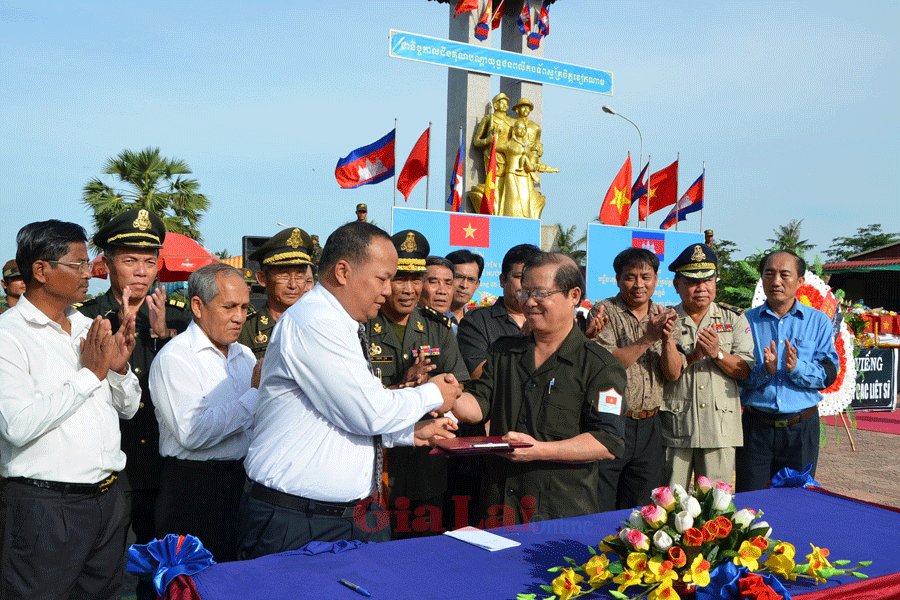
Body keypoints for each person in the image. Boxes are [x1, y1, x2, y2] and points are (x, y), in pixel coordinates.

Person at [238, 221, 461, 559]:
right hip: (298, 520)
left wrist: (409, 432)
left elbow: (338, 416)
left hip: (346, 515)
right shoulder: (316, 322)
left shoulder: (342, 323)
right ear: (343, 271)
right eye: (382, 278)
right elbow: (368, 412)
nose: (388, 290)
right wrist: (432, 393)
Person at [0, 220, 140, 599]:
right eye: (78, 264)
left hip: (107, 499)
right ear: (40, 270)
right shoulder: (9, 336)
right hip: (45, 506)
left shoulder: (87, 326)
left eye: (88, 264)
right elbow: (18, 425)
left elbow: (128, 409)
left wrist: (118, 370)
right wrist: (89, 375)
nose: (88, 274)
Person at [452, 252, 626, 525]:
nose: (530, 302)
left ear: (573, 295)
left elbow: (606, 442)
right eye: (525, 293)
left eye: (541, 294)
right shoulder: (504, 352)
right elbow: (477, 406)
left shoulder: (599, 366)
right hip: (500, 506)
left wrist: (538, 450)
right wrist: (446, 394)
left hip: (559, 513)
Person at [77, 209, 192, 597]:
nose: (141, 272)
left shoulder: (181, 320)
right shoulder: (87, 319)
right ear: (107, 264)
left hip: (165, 464)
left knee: (167, 571)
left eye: (149, 261)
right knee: (102, 571)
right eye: (129, 261)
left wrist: (164, 338)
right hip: (113, 465)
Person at [150, 263, 259, 562]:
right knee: (194, 581)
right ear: (198, 306)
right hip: (194, 492)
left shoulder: (245, 355)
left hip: (242, 485)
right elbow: (193, 432)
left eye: (244, 307)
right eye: (229, 307)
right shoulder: (176, 358)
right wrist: (254, 396)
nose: (240, 317)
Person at [366, 231, 469, 538]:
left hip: (426, 466)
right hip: (377, 466)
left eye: (416, 279)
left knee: (424, 549)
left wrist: (439, 393)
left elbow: (458, 387)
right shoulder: (362, 325)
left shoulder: (437, 328)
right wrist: (405, 387)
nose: (409, 289)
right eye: (401, 279)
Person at [736, 250, 838, 492]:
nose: (776, 281)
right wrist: (765, 371)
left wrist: (796, 368)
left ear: (800, 281)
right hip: (756, 428)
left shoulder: (818, 321)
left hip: (801, 428)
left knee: (797, 502)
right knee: (751, 502)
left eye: (784, 274)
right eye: (769, 274)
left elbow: (828, 374)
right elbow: (737, 377)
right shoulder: (745, 322)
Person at [660, 244, 755, 490]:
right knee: (669, 502)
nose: (701, 288)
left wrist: (717, 353)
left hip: (719, 428)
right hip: (676, 427)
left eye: (708, 280)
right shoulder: (665, 321)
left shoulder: (734, 318)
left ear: (715, 282)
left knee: (717, 503)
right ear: (677, 285)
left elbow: (745, 370)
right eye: (692, 281)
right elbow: (665, 373)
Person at [595, 247, 678, 511]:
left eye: (646, 277)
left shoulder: (665, 313)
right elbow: (608, 365)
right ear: (618, 280)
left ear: (656, 280)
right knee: (603, 502)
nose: (638, 284)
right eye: (630, 277)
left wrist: (667, 339)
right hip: (613, 422)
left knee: (643, 508)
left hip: (651, 424)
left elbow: (673, 373)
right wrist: (649, 338)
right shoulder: (605, 311)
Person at [458, 243, 541, 379]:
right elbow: (479, 373)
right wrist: (524, 341)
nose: (527, 284)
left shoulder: (550, 320)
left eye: (534, 278)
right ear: (502, 280)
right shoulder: (476, 321)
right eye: (520, 277)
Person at [238, 227, 316, 359]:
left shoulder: (317, 324)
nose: (293, 285)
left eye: (299, 276)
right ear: (262, 278)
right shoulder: (245, 330)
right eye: (284, 276)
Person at [446, 248, 484, 326]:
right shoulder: (429, 319)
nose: (464, 285)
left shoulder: (478, 323)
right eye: (459, 277)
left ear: (476, 286)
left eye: (471, 279)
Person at [419, 255, 456, 327]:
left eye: (448, 283)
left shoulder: (455, 330)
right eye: (433, 282)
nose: (442, 291)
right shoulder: (405, 323)